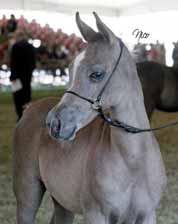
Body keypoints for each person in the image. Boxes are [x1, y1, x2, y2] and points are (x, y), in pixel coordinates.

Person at [9, 32, 36, 120]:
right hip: (27, 76)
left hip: (17, 76)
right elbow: (33, 63)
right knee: (27, 95)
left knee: (17, 96)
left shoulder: (16, 46)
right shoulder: (31, 47)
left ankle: (20, 115)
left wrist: (13, 76)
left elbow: (13, 63)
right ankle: (26, 115)